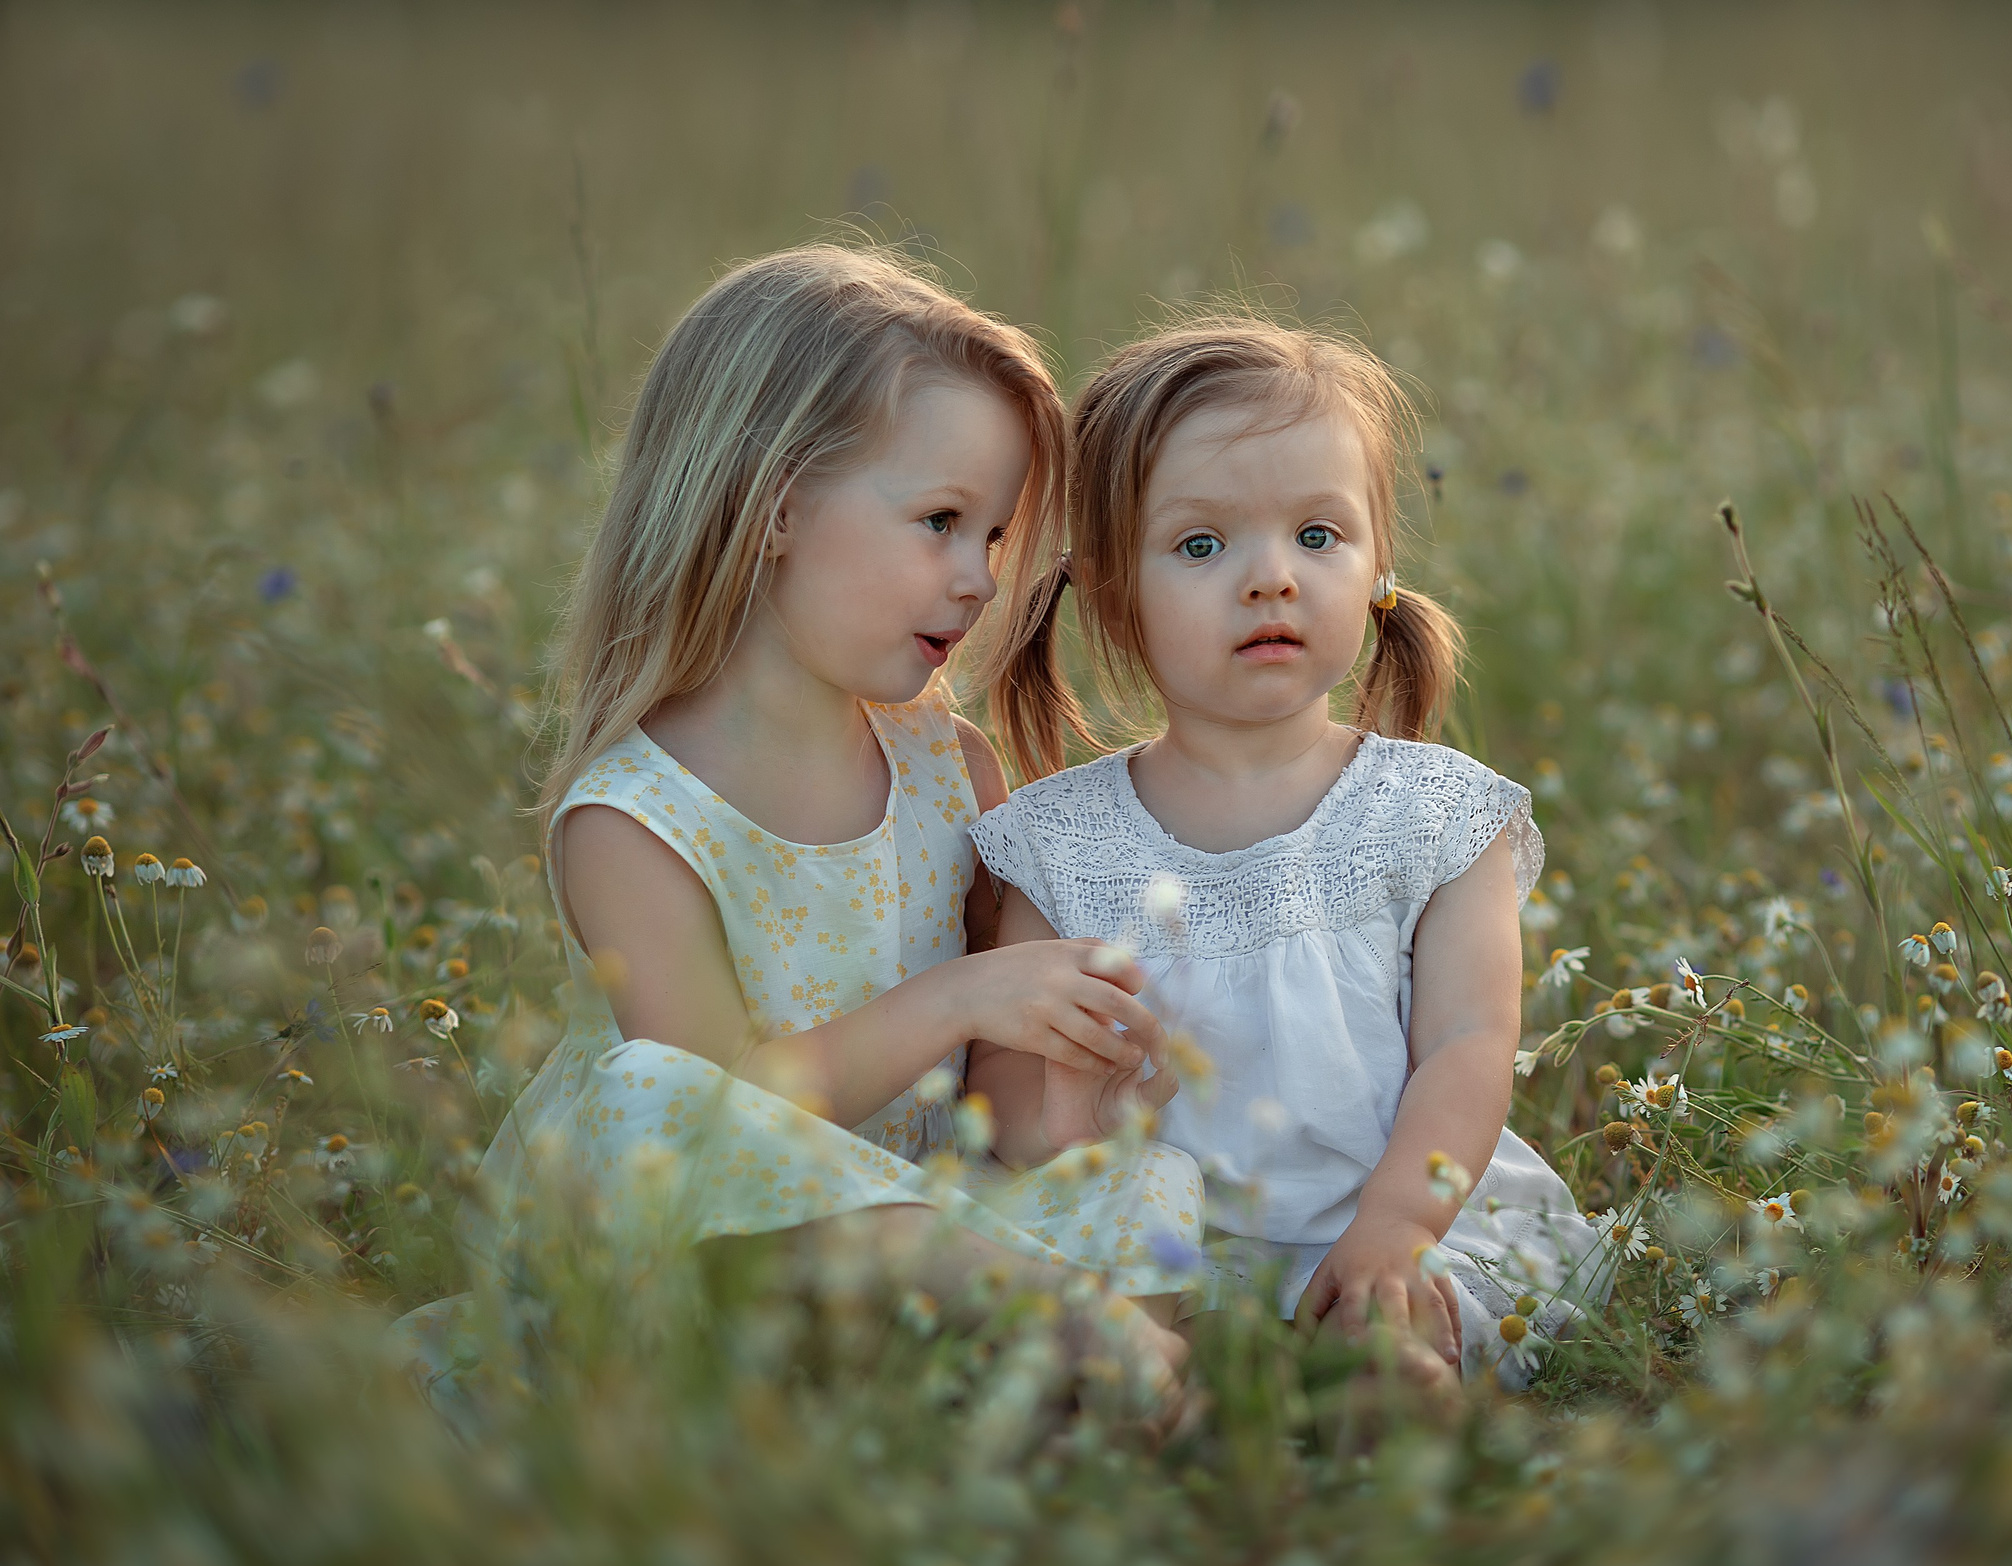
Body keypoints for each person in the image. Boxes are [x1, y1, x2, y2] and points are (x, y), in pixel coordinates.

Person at [399, 244, 1198, 1423]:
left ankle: (1042, 1367)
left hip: (921, 1233)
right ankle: (1050, 1330)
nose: (979, 580)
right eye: (940, 520)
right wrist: (960, 999)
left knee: (1142, 1177)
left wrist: (1064, 1073)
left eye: (992, 536)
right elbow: (716, 1106)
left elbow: (998, 1085)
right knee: (642, 1101)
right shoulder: (637, 818)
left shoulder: (948, 769)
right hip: (707, 1269)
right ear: (773, 505)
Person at [967, 317, 1603, 1393]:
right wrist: (1068, 1123)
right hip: (1170, 1256)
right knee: (1101, 1330)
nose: (1271, 578)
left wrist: (1394, 1232)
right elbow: (1007, 1096)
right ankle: (1193, 1386)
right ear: (1114, 592)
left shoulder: (1432, 811)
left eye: (1317, 535)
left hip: (1401, 1216)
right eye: (1202, 545)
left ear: (1376, 564)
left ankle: (1388, 1396)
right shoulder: (1059, 844)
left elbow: (1467, 1040)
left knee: (1395, 1331)